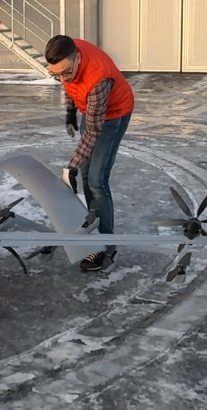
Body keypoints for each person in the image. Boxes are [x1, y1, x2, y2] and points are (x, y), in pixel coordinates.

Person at [45, 34, 135, 272]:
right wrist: (70, 112)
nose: (62, 78)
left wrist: (71, 166)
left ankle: (107, 245)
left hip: (114, 114)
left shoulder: (98, 79)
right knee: (85, 174)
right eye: (56, 75)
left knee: (96, 179)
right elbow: (71, 85)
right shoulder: (66, 55)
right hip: (91, 110)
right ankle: (92, 231)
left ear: (77, 59)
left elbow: (94, 130)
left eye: (66, 72)